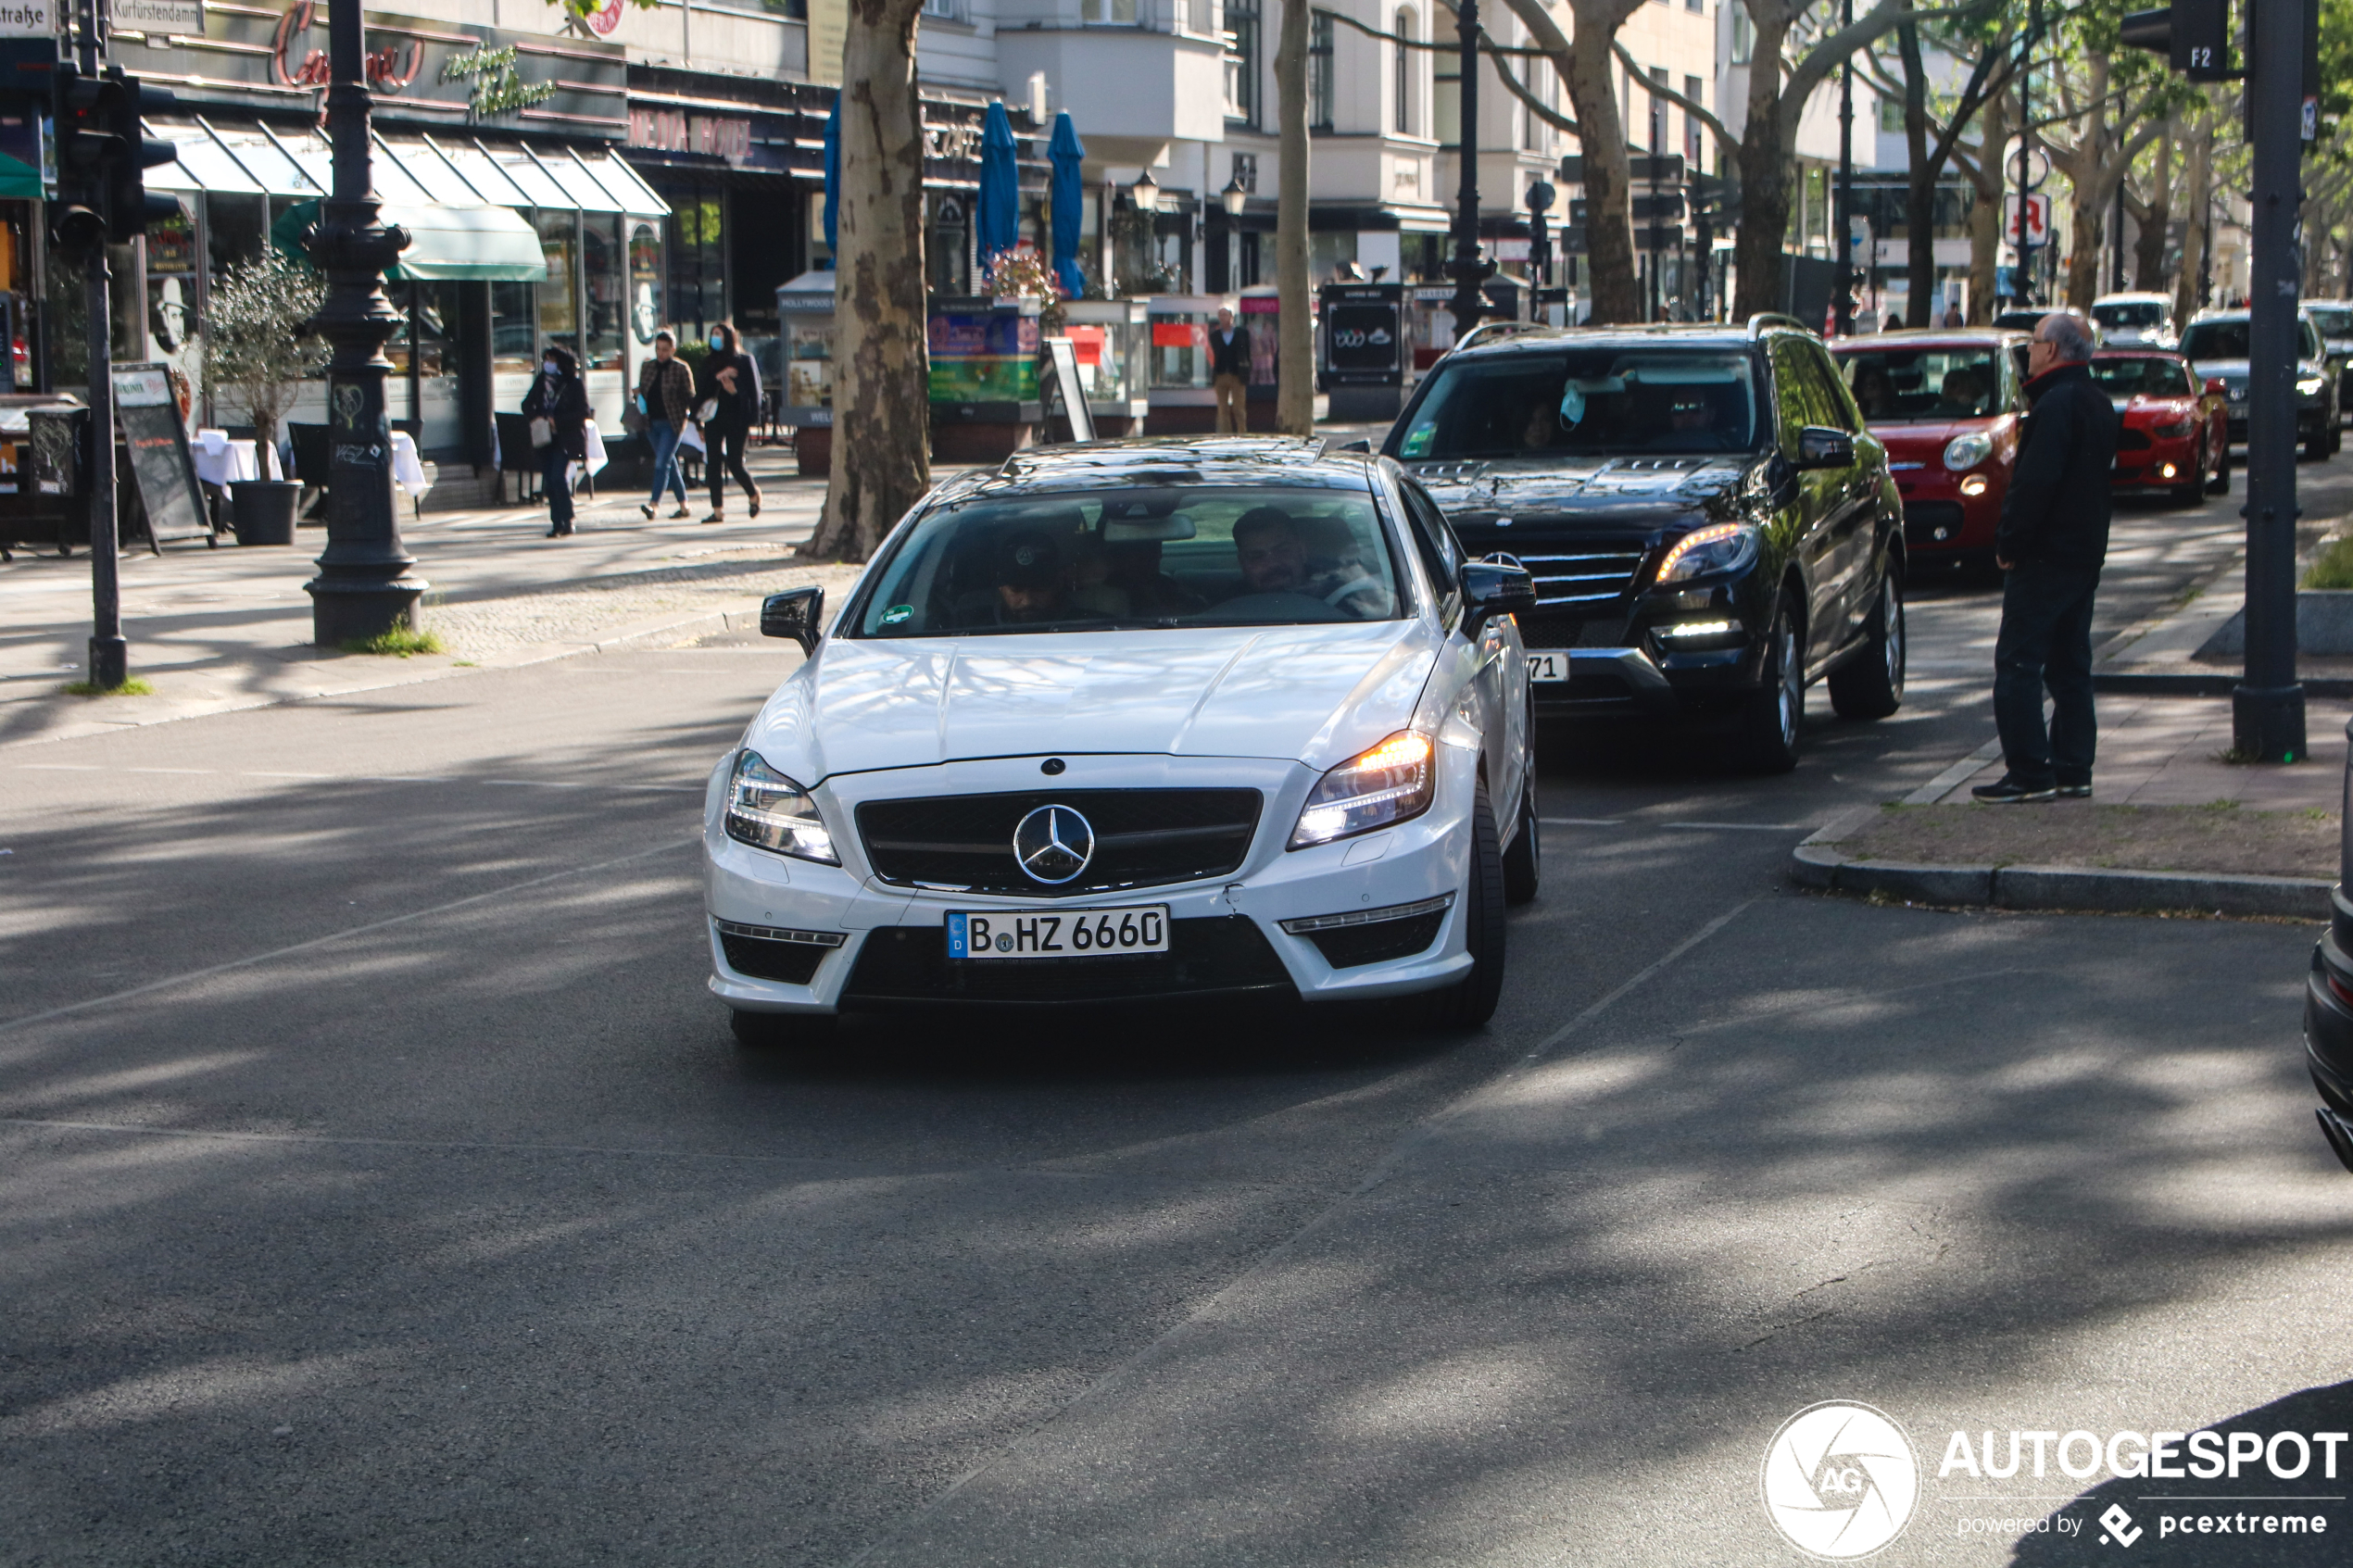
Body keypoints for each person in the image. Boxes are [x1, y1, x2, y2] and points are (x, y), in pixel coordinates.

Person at [1974, 310, 2118, 804]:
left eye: (2034, 343)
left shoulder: (2055, 406)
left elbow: (2035, 484)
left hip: (2044, 557)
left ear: (2052, 350)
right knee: (2070, 663)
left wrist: (2010, 543)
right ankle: (2074, 766)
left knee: (2018, 663)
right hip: (2083, 555)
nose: (2029, 352)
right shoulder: (2097, 402)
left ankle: (2029, 770)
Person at [695, 321, 761, 523]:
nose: (715, 337)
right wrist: (720, 376)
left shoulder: (744, 360)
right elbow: (701, 391)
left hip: (737, 418)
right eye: (712, 334)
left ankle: (753, 493)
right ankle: (717, 510)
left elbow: (753, 393)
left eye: (719, 334)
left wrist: (735, 390)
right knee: (713, 463)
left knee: (734, 462)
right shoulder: (709, 362)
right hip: (713, 418)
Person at [522, 344, 589, 538]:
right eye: (546, 360)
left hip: (565, 438)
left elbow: (583, 412)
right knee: (549, 480)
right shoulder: (542, 380)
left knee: (558, 477)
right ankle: (556, 523)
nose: (548, 364)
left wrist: (557, 421)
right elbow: (526, 404)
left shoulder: (574, 384)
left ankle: (568, 519)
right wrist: (537, 417)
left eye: (552, 360)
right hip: (545, 438)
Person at [954, 529, 1072, 626]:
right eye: (1016, 589)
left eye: (1039, 588)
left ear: (1059, 582)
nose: (1027, 601)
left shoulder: (1085, 626)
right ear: (1000, 587)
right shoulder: (973, 628)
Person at [636, 331, 695, 521]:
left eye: (665, 350)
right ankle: (684, 505)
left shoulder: (680, 369)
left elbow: (690, 396)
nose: (661, 354)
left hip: (672, 422)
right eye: (658, 349)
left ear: (672, 350)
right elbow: (644, 390)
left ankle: (654, 505)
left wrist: (696, 421)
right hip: (652, 423)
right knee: (669, 463)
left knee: (662, 462)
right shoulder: (648, 367)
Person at [1209, 307, 1251, 434]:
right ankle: (1225, 435)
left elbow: (1247, 354)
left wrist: (1247, 371)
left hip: (1237, 375)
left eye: (1225, 314)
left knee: (1239, 408)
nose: (1223, 318)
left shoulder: (1242, 333)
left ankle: (1242, 433)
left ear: (1231, 317)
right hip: (1221, 374)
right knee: (1222, 409)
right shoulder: (1215, 335)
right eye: (1220, 315)